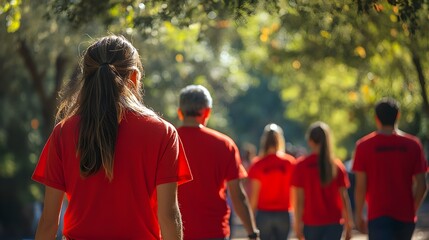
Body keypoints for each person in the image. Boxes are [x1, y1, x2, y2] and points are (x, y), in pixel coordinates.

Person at [32, 35, 192, 240]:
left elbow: (48, 222)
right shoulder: (163, 133)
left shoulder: (63, 132)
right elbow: (169, 217)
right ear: (134, 77)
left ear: (87, 77)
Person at [176, 85, 259, 240]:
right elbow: (238, 196)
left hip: (174, 232)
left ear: (180, 112)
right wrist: (252, 232)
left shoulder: (166, 142)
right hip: (214, 232)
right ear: (207, 112)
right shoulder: (225, 144)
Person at [352, 98, 428, 240]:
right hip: (405, 217)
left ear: (376, 118)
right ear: (398, 115)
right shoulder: (413, 145)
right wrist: (412, 210)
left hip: (377, 215)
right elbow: (422, 185)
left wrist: (358, 215)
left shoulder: (363, 146)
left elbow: (360, 186)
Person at [291, 122, 353, 240]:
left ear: (310, 141)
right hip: (333, 223)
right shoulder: (336, 166)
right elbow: (344, 198)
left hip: (311, 223)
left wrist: (297, 224)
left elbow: (298, 200)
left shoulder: (301, 166)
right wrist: (349, 224)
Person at [247, 123, 296, 240]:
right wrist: (296, 216)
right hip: (284, 214)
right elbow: (294, 192)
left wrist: (251, 219)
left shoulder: (257, 164)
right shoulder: (290, 163)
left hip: (263, 215)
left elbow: (254, 195)